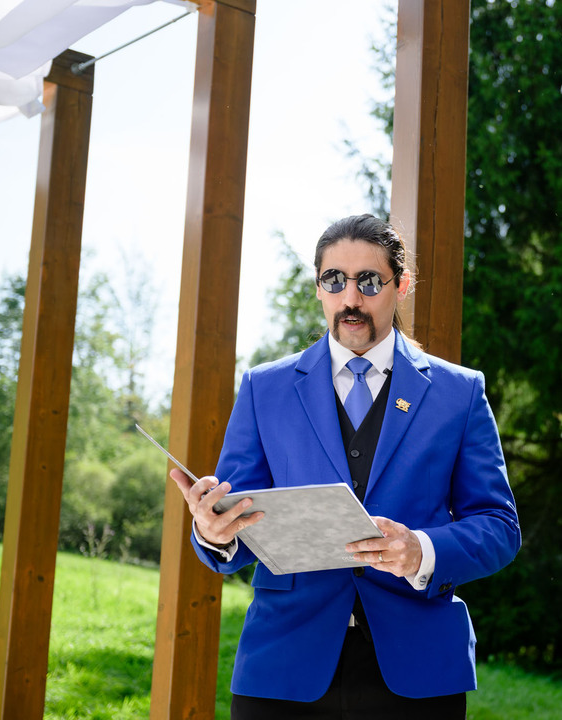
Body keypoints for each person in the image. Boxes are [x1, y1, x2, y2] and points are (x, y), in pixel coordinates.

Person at [171, 214, 521, 719]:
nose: (350, 298)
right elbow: (237, 521)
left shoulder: (459, 393)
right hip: (283, 666)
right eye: (334, 281)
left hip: (418, 669)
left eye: (369, 281)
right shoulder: (263, 388)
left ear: (401, 286)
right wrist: (213, 531)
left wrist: (419, 550)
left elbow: (499, 527)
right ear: (319, 288)